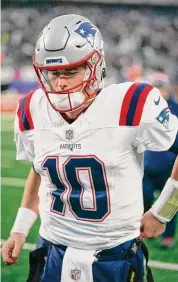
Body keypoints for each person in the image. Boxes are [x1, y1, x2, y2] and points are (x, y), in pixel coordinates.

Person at [2, 14, 178, 282]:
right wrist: (20, 228)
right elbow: (39, 169)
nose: (60, 83)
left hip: (114, 253)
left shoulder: (132, 104)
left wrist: (163, 211)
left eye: (70, 71)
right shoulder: (31, 109)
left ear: (96, 66)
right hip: (51, 249)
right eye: (52, 73)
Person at [142, 72, 178, 248]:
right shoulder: (145, 108)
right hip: (148, 165)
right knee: (144, 197)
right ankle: (147, 228)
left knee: (170, 200)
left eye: (161, 88)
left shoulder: (175, 108)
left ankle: (168, 236)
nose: (159, 91)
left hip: (169, 166)